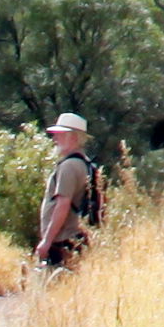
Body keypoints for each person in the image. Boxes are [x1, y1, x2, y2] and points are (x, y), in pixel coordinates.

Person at [34, 110, 105, 276]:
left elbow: (62, 205)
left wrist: (46, 241)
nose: (55, 138)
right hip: (78, 238)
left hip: (62, 241)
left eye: (60, 134)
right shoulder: (87, 165)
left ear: (73, 137)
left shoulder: (68, 167)